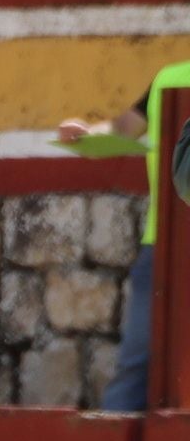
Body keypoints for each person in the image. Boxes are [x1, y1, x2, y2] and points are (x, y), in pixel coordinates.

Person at [55, 57, 190, 411]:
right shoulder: (169, 78)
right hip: (165, 252)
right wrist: (85, 134)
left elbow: (122, 130)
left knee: (136, 369)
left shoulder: (171, 78)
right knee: (137, 367)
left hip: (164, 251)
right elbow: (121, 129)